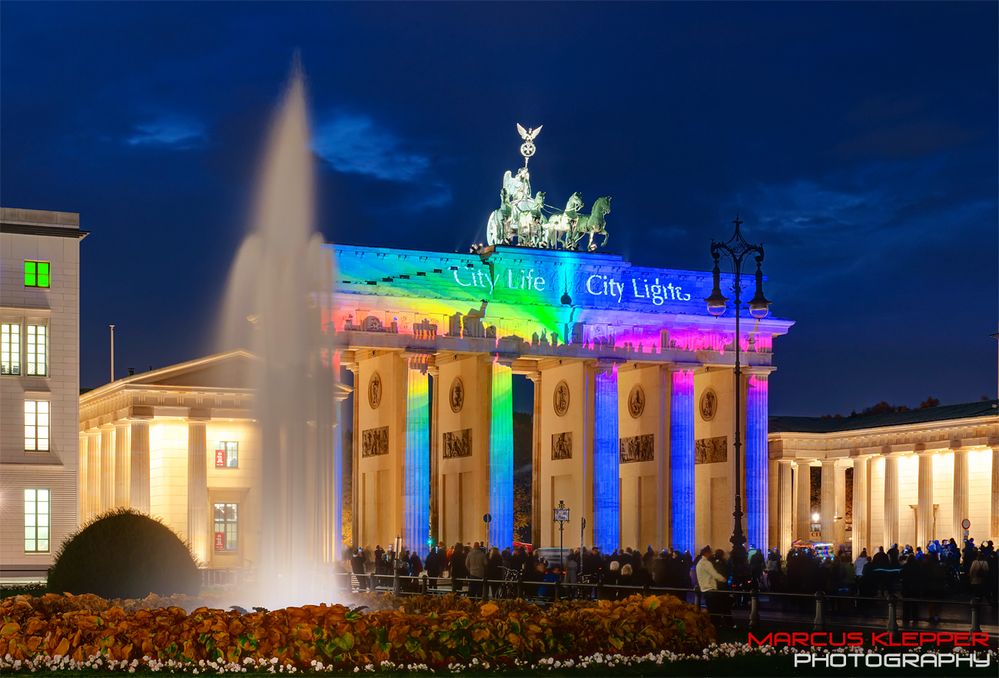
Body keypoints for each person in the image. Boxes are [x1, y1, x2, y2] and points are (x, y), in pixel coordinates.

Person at [696, 546, 731, 627]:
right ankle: (716, 628)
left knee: (711, 611)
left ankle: (713, 626)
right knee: (715, 612)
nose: (712, 554)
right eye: (710, 552)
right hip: (710, 590)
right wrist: (724, 579)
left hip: (704, 589)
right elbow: (714, 574)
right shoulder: (707, 563)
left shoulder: (699, 563)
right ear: (707, 553)